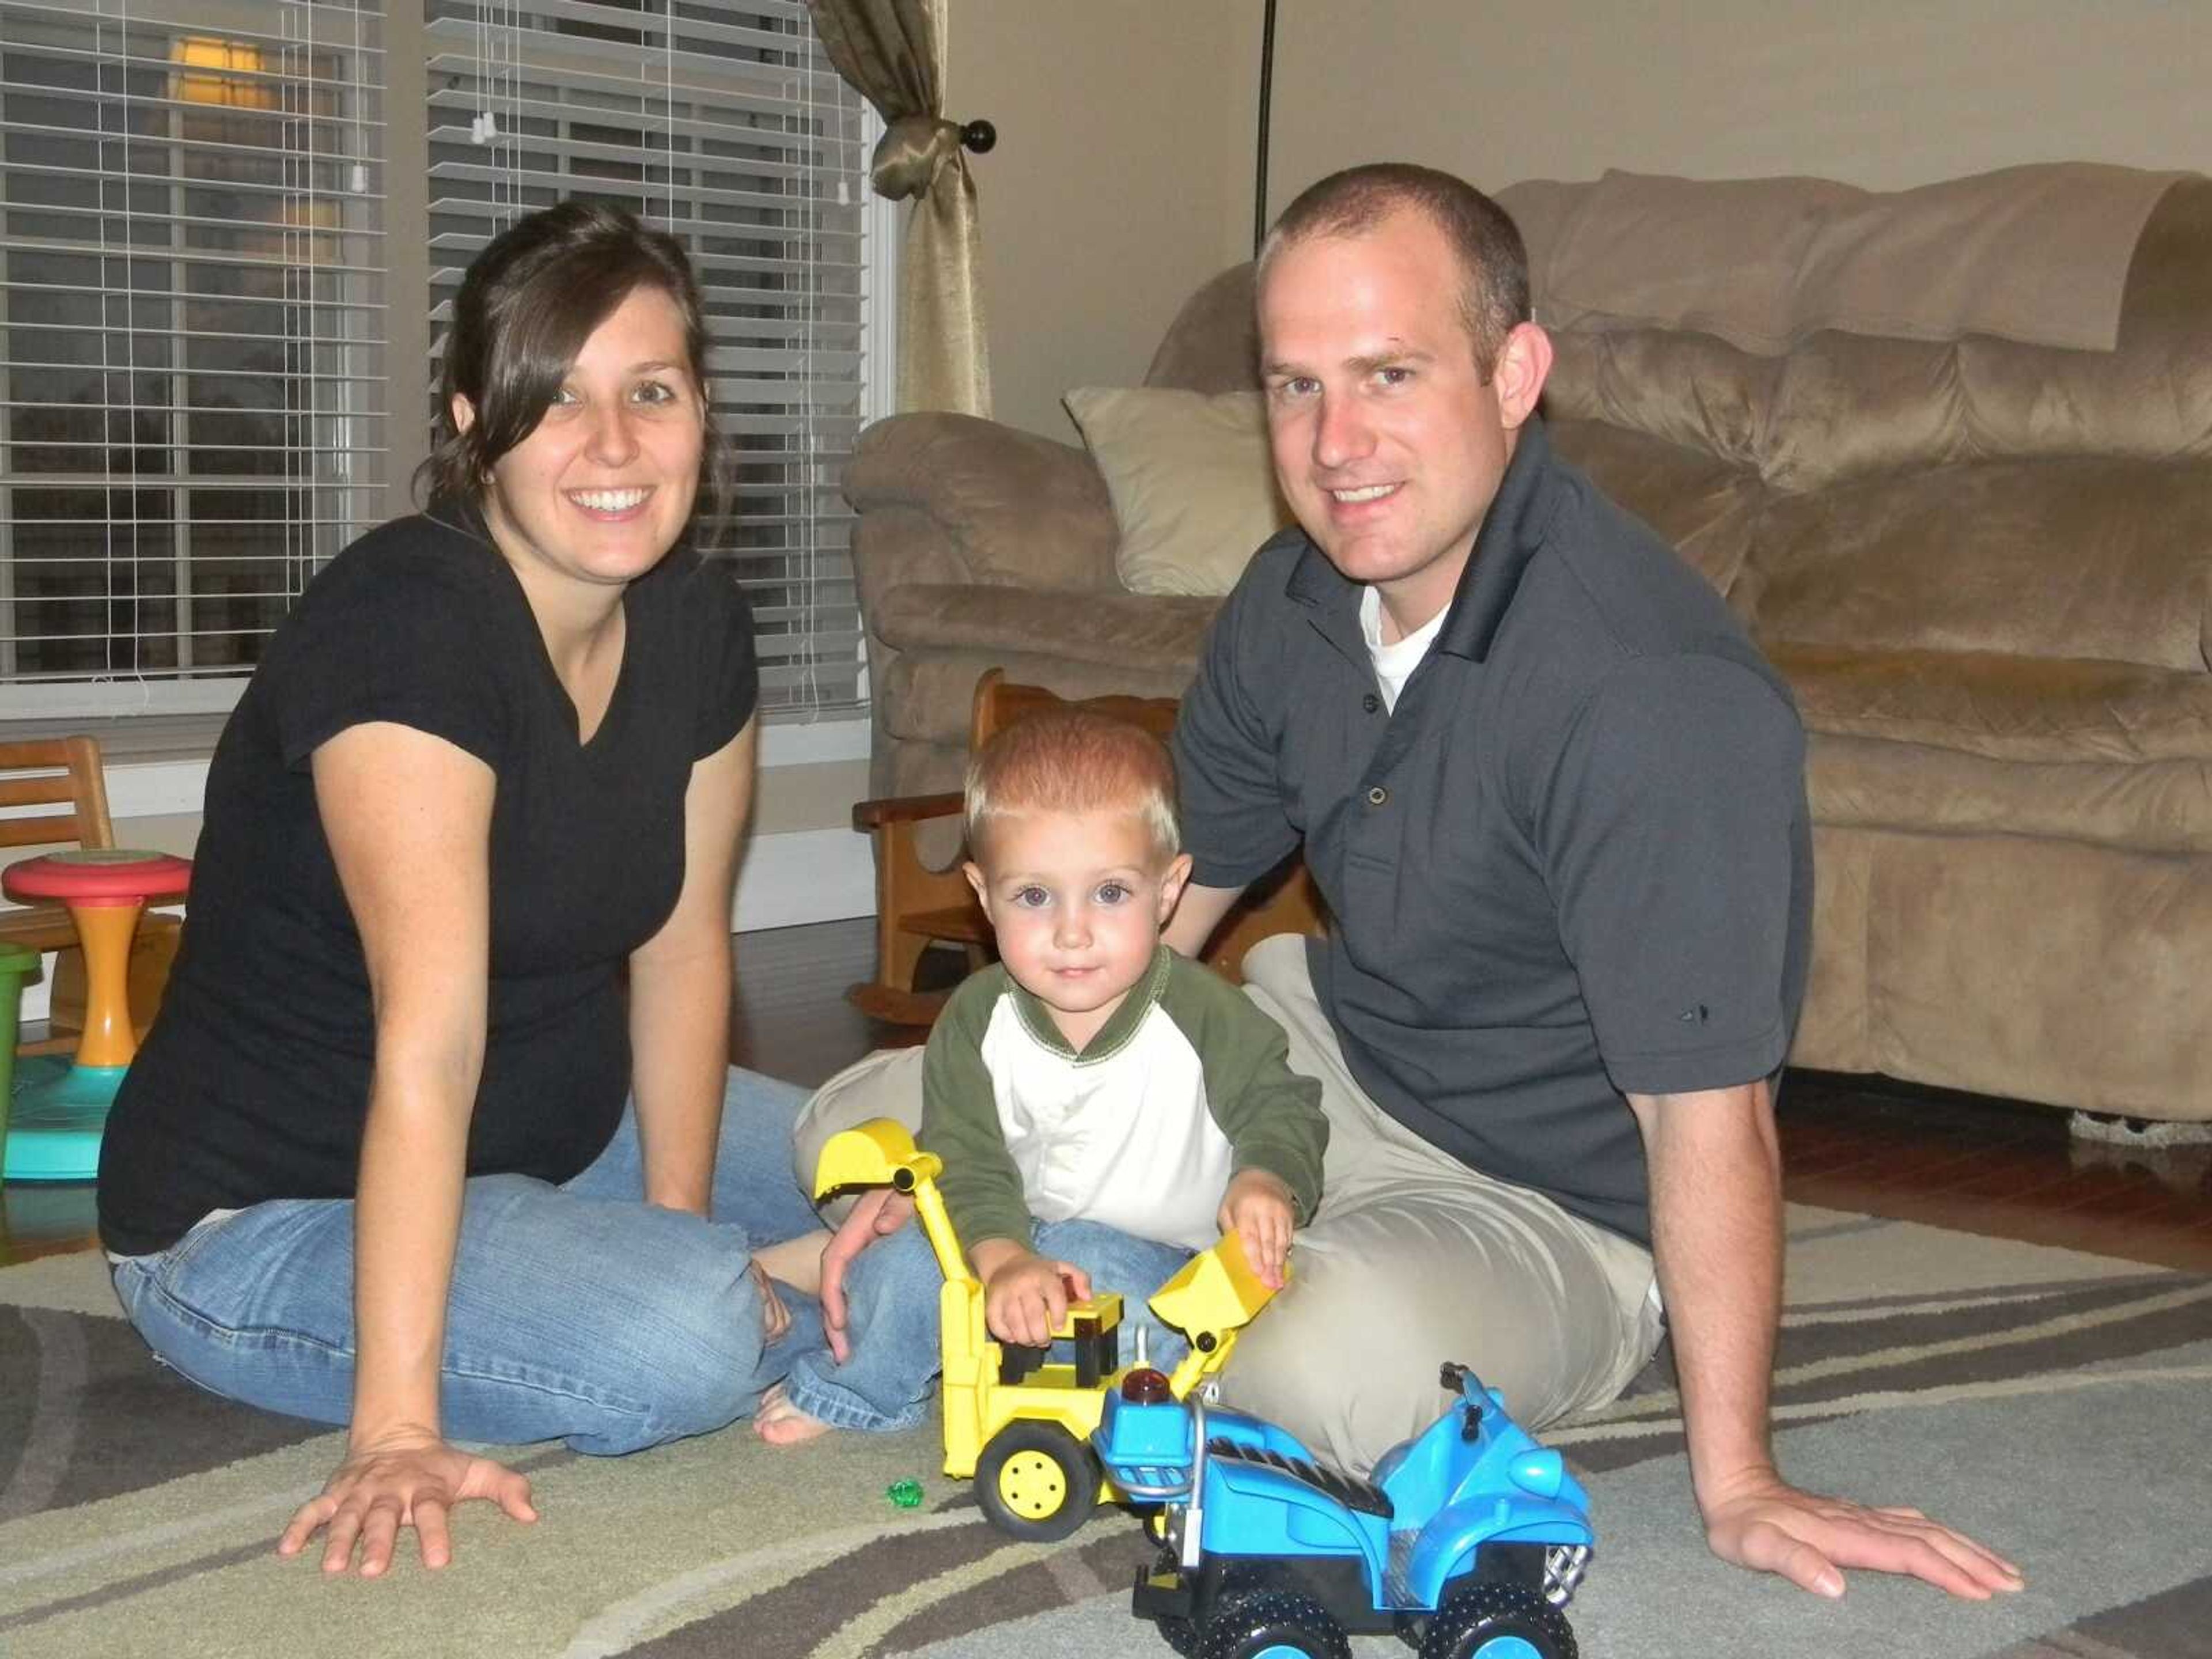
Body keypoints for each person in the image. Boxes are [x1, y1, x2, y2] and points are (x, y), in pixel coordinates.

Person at [805, 162, 2022, 1604]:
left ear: (1515, 373)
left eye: (1388, 372)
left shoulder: (1650, 698)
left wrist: (1739, 1478)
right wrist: (998, 1114)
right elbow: (1146, 943)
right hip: (1324, 1055)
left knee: (1304, 1371)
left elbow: (1711, 1122)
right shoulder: (1296, 597)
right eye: (1295, 386)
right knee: (885, 1101)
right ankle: (1028, 1232)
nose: (1335, 443)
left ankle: (1048, 1262)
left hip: (1543, 1202)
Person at [96, 200, 834, 1578]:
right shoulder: (408, 627)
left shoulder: (696, 622)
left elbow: (680, 955)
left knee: (919, 1154)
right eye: (554, 403)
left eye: (650, 393)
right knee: (684, 1339)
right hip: (266, 1221)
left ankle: (738, 1272)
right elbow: (427, 1046)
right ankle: (755, 1293)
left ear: (699, 414)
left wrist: (674, 1220)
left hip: (561, 1130)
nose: (612, 447)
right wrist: (397, 1425)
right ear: (470, 424)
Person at [756, 709, 1326, 1442]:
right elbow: (966, 1153)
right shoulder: (975, 1017)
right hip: (1014, 1228)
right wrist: (1004, 1257)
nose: (1072, 931)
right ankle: (863, 1392)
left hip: (1161, 1263)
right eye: (1034, 896)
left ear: (1170, 888)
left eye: (1111, 893)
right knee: (900, 1273)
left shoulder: (1205, 1011)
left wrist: (1265, 1179)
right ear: (984, 894)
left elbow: (1283, 1109)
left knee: (1112, 1287)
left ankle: (1118, 1392)